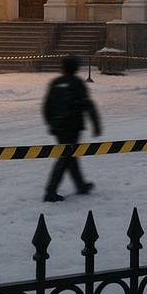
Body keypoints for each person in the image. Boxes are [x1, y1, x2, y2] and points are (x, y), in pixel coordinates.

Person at [42, 55, 102, 202]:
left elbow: (47, 106)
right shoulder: (77, 83)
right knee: (66, 157)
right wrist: (96, 124)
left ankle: (80, 185)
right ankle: (50, 191)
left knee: (70, 156)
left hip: (59, 127)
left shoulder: (56, 83)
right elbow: (87, 104)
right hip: (73, 127)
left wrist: (51, 123)